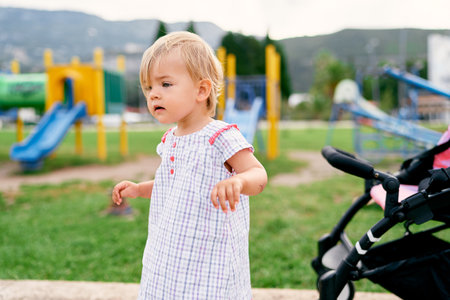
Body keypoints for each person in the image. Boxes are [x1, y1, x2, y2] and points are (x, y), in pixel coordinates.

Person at [112, 31, 267, 299]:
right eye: (149, 87)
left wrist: (238, 181)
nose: (154, 95)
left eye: (166, 84)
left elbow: (259, 175)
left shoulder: (219, 135)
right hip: (171, 250)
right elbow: (173, 184)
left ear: (201, 90)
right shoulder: (171, 139)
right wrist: (139, 189)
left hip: (209, 255)